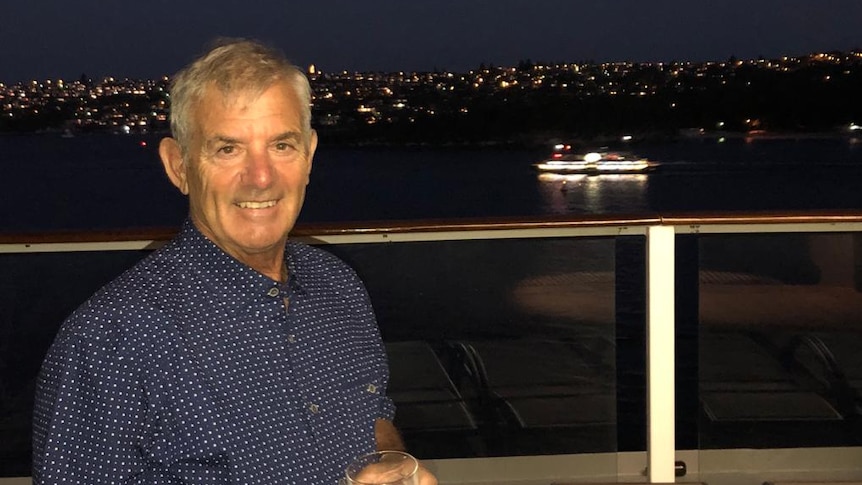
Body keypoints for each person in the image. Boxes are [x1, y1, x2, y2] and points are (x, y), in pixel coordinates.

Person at [33, 39, 437, 485]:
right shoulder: (109, 340)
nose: (261, 177)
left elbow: (374, 413)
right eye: (228, 149)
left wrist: (392, 460)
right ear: (178, 167)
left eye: (282, 145)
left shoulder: (339, 285)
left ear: (309, 157)